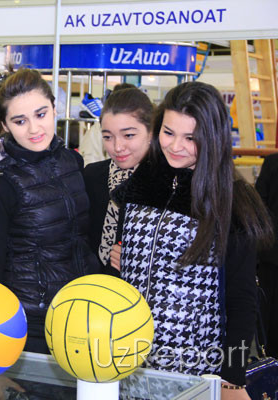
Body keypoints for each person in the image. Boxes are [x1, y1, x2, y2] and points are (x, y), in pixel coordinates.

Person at [110, 81, 273, 397]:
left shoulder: (232, 202)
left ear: (212, 139)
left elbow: (242, 300)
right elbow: (118, 262)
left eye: (190, 138)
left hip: (196, 372)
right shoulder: (140, 183)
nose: (175, 146)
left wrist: (231, 379)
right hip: (127, 362)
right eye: (168, 132)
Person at [0, 68, 99, 354]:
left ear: (54, 108)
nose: (34, 129)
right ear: (5, 125)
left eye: (41, 114)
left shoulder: (71, 162)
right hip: (30, 325)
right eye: (20, 121)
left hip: (82, 316)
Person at [83, 87, 153, 270]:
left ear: (151, 132)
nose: (117, 147)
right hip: (93, 282)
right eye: (108, 137)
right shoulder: (92, 176)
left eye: (128, 135)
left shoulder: (166, 183)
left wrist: (142, 261)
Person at [254, 152, 278, 358]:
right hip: (271, 257)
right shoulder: (272, 163)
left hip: (271, 255)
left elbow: (259, 209)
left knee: (270, 321)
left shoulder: (272, 163)